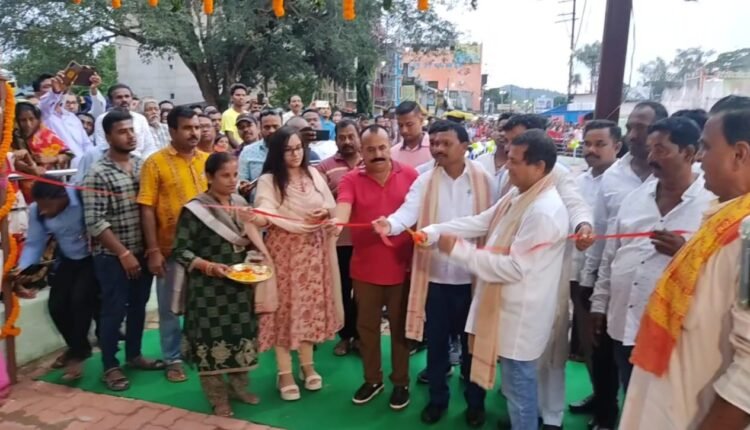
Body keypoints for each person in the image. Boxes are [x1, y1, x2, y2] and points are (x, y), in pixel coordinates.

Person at [420, 129, 569, 430]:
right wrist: (435, 231)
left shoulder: (543, 210)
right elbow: (483, 221)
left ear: (539, 166)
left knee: (520, 389)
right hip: (508, 308)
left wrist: (458, 251)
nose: (506, 167)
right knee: (515, 387)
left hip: (521, 315)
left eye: (514, 161)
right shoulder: (521, 194)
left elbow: (514, 268)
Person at [618, 100, 750, 429]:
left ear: (739, 154)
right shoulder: (724, 218)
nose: (699, 158)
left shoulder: (745, 234)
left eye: (707, 147)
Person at [373, 120, 495, 426]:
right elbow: (407, 211)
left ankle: (475, 403)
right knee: (437, 347)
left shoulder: (484, 179)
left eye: (446, 143)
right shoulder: (425, 180)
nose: (438, 148)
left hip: (472, 279)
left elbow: (491, 223)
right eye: (435, 143)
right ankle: (438, 400)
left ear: (465, 146)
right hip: (436, 279)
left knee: (472, 347)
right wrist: (391, 224)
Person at [591, 116, 714, 397]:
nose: (651, 158)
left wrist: (685, 251)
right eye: (650, 149)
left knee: (665, 403)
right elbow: (611, 256)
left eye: (661, 150)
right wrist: (600, 303)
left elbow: (724, 267)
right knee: (632, 397)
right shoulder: (635, 199)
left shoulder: (710, 204)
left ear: (688, 152)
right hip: (627, 321)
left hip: (677, 329)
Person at [579, 101, 667, 430]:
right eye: (630, 127)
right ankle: (606, 413)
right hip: (613, 282)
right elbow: (602, 233)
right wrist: (590, 283)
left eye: (641, 128)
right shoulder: (614, 176)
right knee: (604, 352)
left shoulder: (691, 182)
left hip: (660, 293)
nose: (633, 135)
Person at [248, 126, 342, 401]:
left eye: (298, 148)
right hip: (284, 253)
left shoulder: (313, 174)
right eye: (288, 150)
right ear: (278, 152)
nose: (295, 154)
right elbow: (265, 215)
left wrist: (324, 213)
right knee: (284, 310)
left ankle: (307, 365)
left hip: (313, 253)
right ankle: (284, 372)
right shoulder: (268, 180)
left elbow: (330, 207)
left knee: (309, 309)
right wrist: (253, 217)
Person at [330, 125, 418, 411]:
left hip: (402, 268)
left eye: (382, 147)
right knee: (366, 329)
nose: (377, 154)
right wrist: (336, 224)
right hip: (365, 269)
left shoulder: (411, 175)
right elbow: (343, 205)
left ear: (390, 145)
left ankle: (401, 382)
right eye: (370, 149)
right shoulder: (351, 179)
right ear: (361, 151)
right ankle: (373, 380)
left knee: (400, 330)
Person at [173, 152, 265, 417]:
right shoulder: (195, 210)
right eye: (225, 175)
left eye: (235, 174)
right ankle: (217, 398)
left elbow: (248, 239)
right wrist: (208, 267)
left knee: (241, 337)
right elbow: (180, 250)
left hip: (240, 286)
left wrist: (253, 255)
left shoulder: (240, 203)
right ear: (209, 177)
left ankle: (239, 388)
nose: (232, 180)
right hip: (207, 292)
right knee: (210, 343)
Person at [82, 108, 165, 392]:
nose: (130, 136)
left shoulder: (143, 166)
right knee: (113, 310)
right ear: (108, 137)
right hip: (112, 257)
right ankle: (110, 366)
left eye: (132, 130)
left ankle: (134, 355)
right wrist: (123, 253)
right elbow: (95, 221)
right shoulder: (98, 173)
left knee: (139, 306)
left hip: (143, 250)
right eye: (122, 131)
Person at [138, 106, 209, 384]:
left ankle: (198, 350)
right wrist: (153, 250)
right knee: (169, 308)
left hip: (206, 249)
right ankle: (173, 359)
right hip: (170, 248)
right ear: (172, 131)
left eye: (197, 127)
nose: (194, 133)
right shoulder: (154, 163)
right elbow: (146, 208)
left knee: (202, 304)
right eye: (188, 128)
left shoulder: (208, 161)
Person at [15, 178, 98, 381]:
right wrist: (23, 267)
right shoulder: (36, 210)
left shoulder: (81, 198)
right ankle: (79, 348)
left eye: (47, 206)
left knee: (80, 301)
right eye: (40, 206)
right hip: (68, 259)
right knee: (56, 306)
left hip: (92, 259)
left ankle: (77, 355)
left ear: (62, 197)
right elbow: (34, 242)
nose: (43, 211)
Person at [567, 120, 622, 425]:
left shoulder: (629, 183)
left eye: (600, 144)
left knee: (615, 346)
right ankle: (600, 395)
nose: (591, 150)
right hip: (581, 273)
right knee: (590, 342)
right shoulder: (580, 182)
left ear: (617, 146)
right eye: (587, 143)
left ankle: (611, 406)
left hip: (615, 276)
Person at [316, 119, 363, 356]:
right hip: (339, 240)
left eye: (351, 136)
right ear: (335, 140)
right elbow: (319, 200)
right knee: (342, 290)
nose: (347, 141)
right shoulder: (324, 167)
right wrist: (343, 191)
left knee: (363, 292)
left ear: (359, 137)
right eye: (342, 137)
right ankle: (345, 336)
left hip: (366, 240)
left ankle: (361, 337)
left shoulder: (371, 161)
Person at [92, 84, 158, 158]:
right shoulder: (102, 119)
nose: (124, 100)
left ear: (131, 98)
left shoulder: (140, 118)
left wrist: (141, 162)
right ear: (111, 101)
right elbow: (102, 146)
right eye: (119, 97)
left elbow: (149, 146)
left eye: (127, 96)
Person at [238, 109, 283, 196]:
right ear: (260, 128)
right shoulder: (247, 152)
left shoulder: (291, 150)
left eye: (275, 127)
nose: (271, 130)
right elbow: (241, 181)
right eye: (267, 127)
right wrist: (243, 187)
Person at [391, 102, 432, 168]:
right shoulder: (392, 153)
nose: (404, 130)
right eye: (400, 125)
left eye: (409, 125)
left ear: (421, 121)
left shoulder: (434, 149)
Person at [221, 83, 247, 149]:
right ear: (232, 97)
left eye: (243, 95)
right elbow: (230, 137)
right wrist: (241, 149)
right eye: (238, 95)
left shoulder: (247, 114)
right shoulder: (227, 114)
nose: (241, 97)